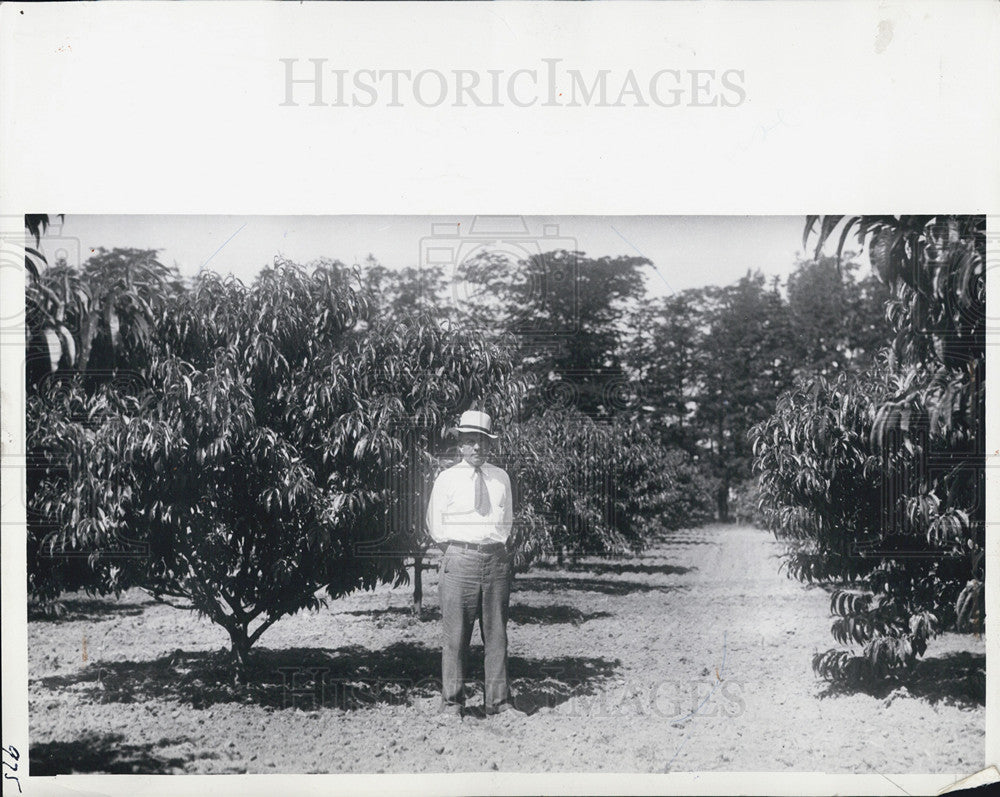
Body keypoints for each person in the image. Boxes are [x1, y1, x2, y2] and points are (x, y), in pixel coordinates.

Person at [425, 409, 525, 721]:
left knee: (496, 635)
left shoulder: (501, 478)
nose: (477, 447)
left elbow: (506, 520)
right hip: (459, 560)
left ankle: (498, 704)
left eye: (482, 441)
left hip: (495, 560)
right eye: (471, 441)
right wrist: (460, 550)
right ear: (460, 446)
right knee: (455, 637)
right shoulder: (447, 478)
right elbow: (434, 522)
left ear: (489, 444)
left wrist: (492, 547)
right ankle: (453, 705)